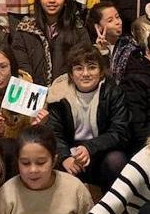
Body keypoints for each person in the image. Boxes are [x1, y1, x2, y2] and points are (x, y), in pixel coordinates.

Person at [45, 43, 131, 191]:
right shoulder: (58, 94)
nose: (86, 73)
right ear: (71, 74)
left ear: (101, 71)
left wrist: (89, 147)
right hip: (69, 152)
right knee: (48, 160)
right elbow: (54, 132)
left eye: (92, 67)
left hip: (100, 151)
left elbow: (120, 131)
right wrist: (65, 157)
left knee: (117, 160)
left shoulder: (113, 92)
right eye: (79, 68)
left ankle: (115, 209)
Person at [12, 0, 90, 86]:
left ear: (66, 0)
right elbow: (22, 69)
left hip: (68, 95)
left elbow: (83, 67)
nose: (52, 0)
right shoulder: (24, 30)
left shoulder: (78, 31)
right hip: (33, 94)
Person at [86, 0, 139, 83]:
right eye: (110, 20)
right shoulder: (89, 50)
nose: (118, 22)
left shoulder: (130, 46)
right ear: (98, 27)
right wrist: (102, 51)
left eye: (117, 17)